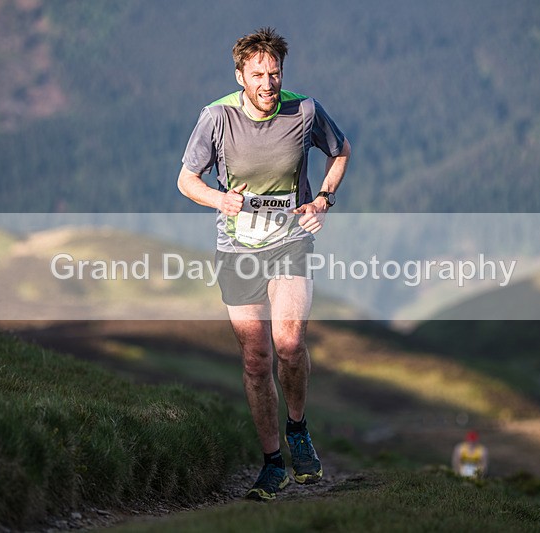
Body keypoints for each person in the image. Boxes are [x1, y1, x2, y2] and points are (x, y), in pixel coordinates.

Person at [177, 27, 351, 501]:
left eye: (275, 74)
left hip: (290, 243)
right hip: (237, 250)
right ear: (240, 76)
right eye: (258, 75)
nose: (269, 84)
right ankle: (273, 463)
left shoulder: (305, 110)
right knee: (256, 360)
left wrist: (321, 201)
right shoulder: (216, 118)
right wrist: (220, 200)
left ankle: (298, 429)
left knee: (289, 342)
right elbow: (186, 179)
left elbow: (341, 151)